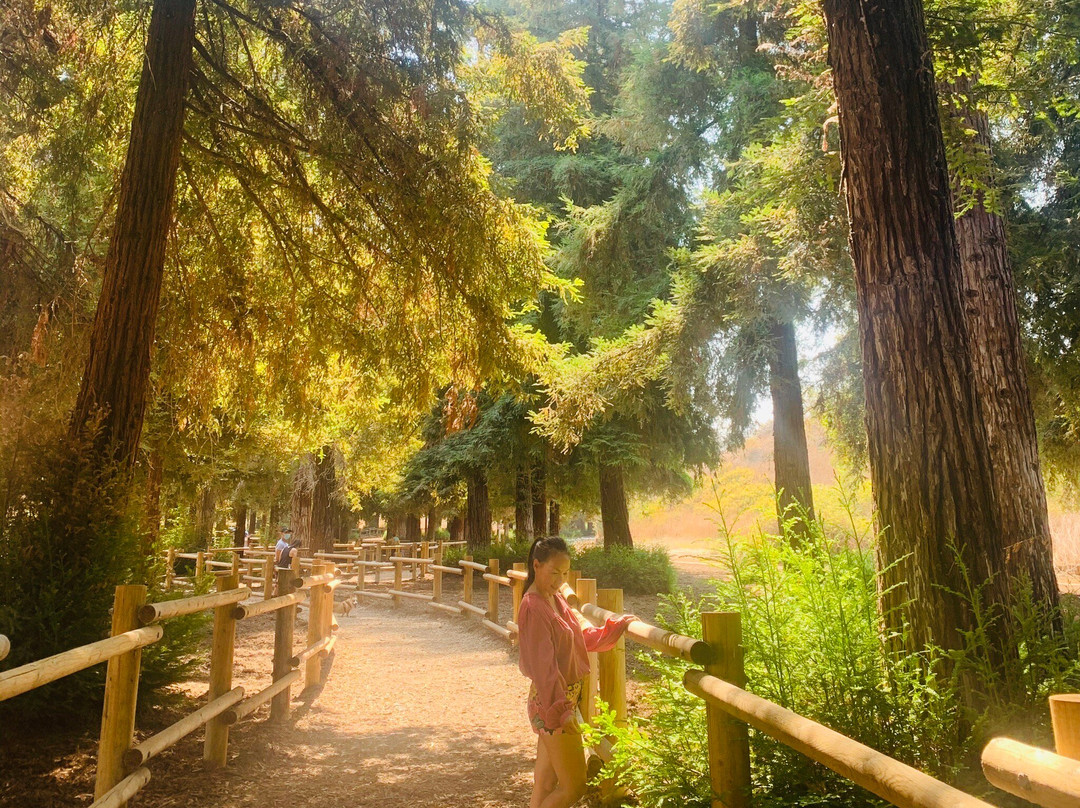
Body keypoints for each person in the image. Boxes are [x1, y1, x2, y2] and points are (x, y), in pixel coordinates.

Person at [517, 537, 637, 808]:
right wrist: (563, 711)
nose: (559, 580)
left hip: (559, 701)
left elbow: (578, 638)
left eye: (564, 573)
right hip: (552, 704)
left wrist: (615, 627)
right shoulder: (533, 606)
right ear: (536, 565)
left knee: (545, 784)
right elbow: (544, 669)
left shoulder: (555, 598)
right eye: (554, 572)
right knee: (574, 786)